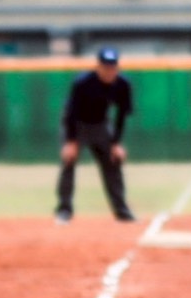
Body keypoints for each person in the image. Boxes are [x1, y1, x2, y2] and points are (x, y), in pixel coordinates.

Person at [55, 47, 135, 224]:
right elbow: (71, 113)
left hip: (101, 125)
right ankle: (64, 210)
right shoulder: (83, 83)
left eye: (113, 67)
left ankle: (122, 211)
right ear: (98, 66)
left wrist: (116, 143)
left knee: (113, 162)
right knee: (68, 163)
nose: (109, 71)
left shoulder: (123, 84)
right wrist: (71, 142)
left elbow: (121, 115)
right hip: (77, 125)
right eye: (106, 67)